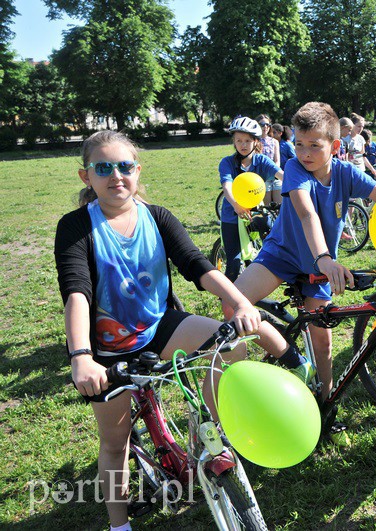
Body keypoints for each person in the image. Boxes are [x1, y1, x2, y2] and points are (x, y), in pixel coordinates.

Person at [55, 130, 262, 531]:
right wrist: (81, 357)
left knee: (230, 345)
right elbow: (76, 292)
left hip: (160, 324)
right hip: (106, 347)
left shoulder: (158, 215)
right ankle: (119, 525)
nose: (116, 176)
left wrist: (240, 302)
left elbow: (197, 264)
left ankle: (211, 436)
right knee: (114, 445)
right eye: (103, 168)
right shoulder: (76, 227)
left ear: (137, 170)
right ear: (86, 177)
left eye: (124, 166)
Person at [226, 102, 376, 408]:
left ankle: (326, 404)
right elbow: (306, 212)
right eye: (299, 144)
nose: (305, 153)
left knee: (323, 344)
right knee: (233, 304)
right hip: (280, 255)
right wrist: (324, 258)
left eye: (314, 145)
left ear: (335, 146)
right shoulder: (296, 169)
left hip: (319, 265)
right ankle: (291, 356)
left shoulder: (346, 172)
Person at [218, 117, 283, 283]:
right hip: (232, 215)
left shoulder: (261, 161)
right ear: (233, 141)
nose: (243, 145)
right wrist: (236, 205)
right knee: (233, 263)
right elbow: (227, 186)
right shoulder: (227, 163)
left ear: (256, 141)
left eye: (247, 140)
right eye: (239, 140)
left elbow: (282, 175)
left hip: (255, 211)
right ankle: (227, 299)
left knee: (272, 241)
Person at [348, 113, 376, 177]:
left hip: (361, 170)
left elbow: (363, 156)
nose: (361, 129)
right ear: (352, 125)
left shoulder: (361, 138)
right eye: (359, 126)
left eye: (362, 126)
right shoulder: (345, 139)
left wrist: (372, 170)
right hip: (350, 171)